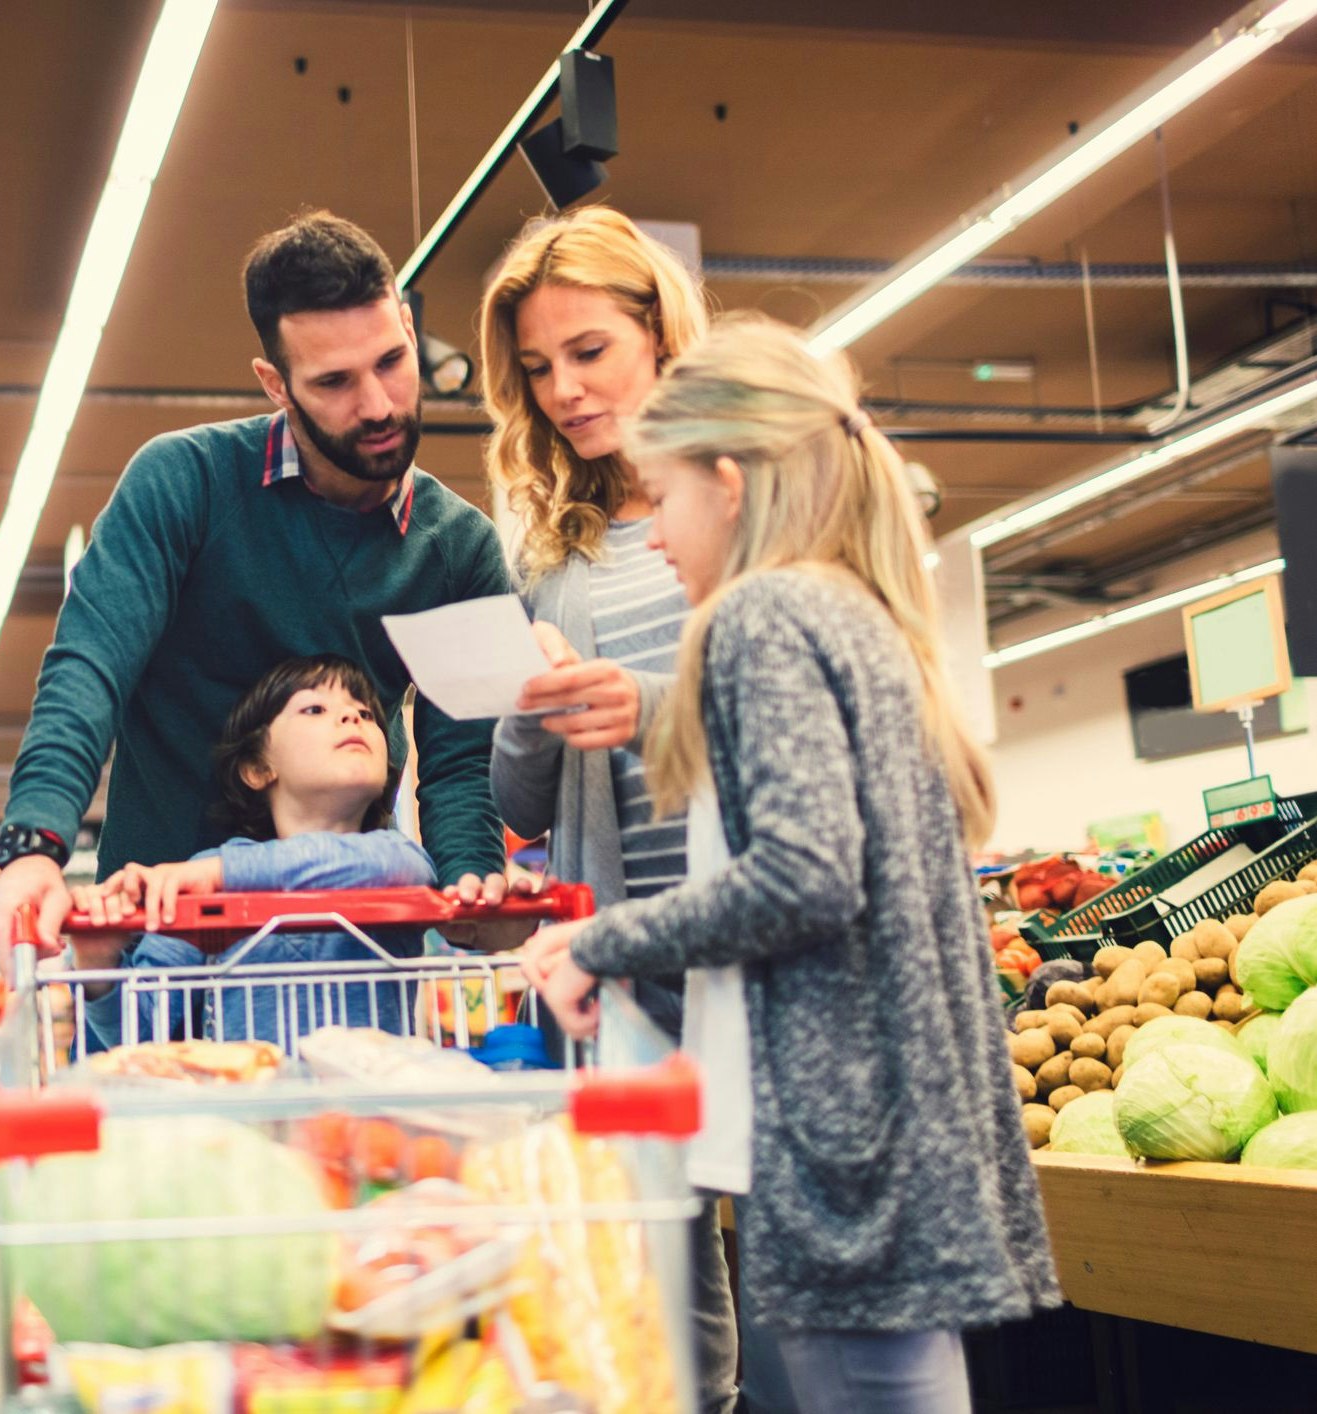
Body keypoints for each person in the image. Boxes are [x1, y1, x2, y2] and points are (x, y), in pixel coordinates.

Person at [521, 315, 1063, 1414]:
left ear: (727, 484)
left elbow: (804, 874)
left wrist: (600, 938)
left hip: (837, 1139)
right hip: (900, 1121)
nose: (658, 536)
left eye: (663, 498)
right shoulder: (857, 609)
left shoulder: (759, 615)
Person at [0, 212, 517, 959]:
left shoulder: (461, 549)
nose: (379, 405)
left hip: (349, 941)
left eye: (392, 360)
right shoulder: (183, 483)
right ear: (275, 385)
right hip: (159, 941)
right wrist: (35, 845)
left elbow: (461, 762)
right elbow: (89, 667)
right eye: (333, 381)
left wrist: (472, 891)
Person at [479, 207, 779, 1414]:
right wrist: (527, 704)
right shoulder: (550, 550)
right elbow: (519, 803)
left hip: (758, 944)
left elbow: (788, 713)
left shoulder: (749, 498)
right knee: (660, 1299)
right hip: (624, 959)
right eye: (538, 369)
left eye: (588, 350)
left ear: (660, 329)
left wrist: (641, 700)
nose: (562, 391)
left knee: (792, 1287)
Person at [66, 655, 439, 1050]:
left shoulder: (392, 855)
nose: (352, 718)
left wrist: (221, 873)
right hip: (253, 1106)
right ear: (258, 768)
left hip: (371, 1109)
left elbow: (408, 869)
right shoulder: (207, 880)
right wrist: (97, 964)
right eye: (315, 709)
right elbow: (139, 1031)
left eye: (366, 713)